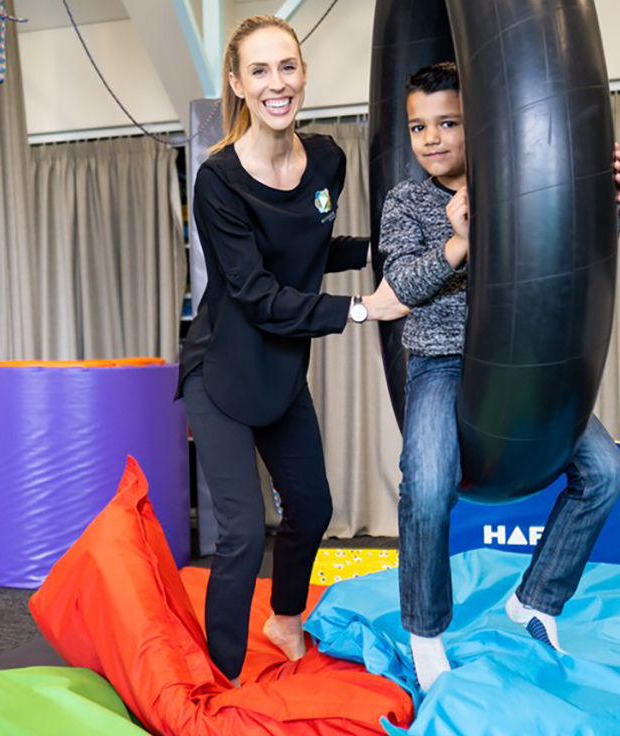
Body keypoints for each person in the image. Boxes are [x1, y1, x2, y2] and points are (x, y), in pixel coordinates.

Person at [379, 62, 620, 692]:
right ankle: (426, 632)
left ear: (482, 124)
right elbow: (401, 285)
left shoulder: (524, 184)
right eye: (418, 126)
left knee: (605, 471)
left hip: (519, 366)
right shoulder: (407, 201)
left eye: (448, 123)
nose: (430, 139)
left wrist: (610, 205)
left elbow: (568, 248)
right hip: (441, 363)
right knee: (429, 482)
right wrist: (458, 242)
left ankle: (536, 601)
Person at [177, 14, 408, 685]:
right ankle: (219, 682)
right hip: (220, 376)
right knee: (245, 533)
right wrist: (363, 308)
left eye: (287, 67)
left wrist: (375, 252)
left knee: (313, 510)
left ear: (303, 74)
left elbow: (307, 251)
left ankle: (284, 618)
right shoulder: (219, 181)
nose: (277, 84)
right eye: (260, 71)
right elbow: (255, 292)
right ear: (237, 83)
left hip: (280, 375)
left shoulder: (328, 161)